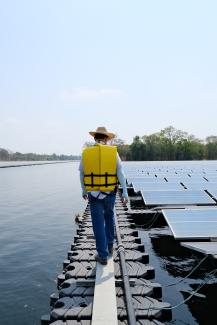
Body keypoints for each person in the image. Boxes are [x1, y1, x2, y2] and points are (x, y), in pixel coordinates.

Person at [78, 126, 129, 265]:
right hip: (110, 192)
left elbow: (81, 173)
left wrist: (83, 190)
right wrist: (125, 192)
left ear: (94, 138)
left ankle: (102, 255)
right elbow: (120, 173)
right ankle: (110, 246)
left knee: (98, 223)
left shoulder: (86, 153)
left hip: (93, 194)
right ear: (107, 139)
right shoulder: (113, 152)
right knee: (109, 216)